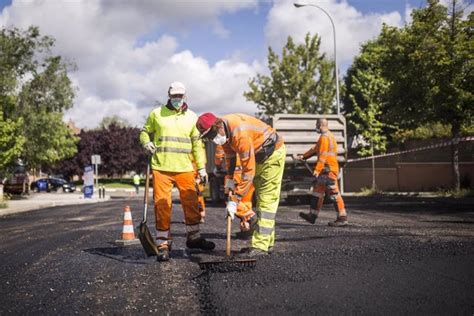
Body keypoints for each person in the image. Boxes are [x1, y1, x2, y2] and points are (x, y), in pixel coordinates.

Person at [140, 81, 215, 262]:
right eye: (174, 96)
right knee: (163, 205)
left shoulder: (192, 117)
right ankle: (163, 244)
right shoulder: (156, 114)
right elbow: (144, 131)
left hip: (185, 169)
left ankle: (194, 238)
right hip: (161, 168)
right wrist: (145, 142)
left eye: (180, 96)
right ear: (169, 95)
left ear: (185, 96)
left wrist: (202, 168)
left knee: (191, 204)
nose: (177, 99)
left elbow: (197, 145)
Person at [196, 113, 286, 257]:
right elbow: (230, 158)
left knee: (266, 200)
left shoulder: (240, 135)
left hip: (272, 155)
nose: (212, 139)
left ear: (218, 126)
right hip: (259, 155)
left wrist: (235, 200)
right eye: (209, 137)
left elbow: (248, 173)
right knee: (262, 200)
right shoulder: (225, 133)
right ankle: (267, 243)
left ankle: (261, 246)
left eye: (212, 134)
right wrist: (230, 179)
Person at [297, 118, 348, 227]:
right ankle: (312, 215)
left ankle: (342, 218)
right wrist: (304, 156)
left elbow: (323, 156)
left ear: (320, 125)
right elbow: (315, 149)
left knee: (334, 193)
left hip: (328, 171)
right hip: (326, 171)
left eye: (316, 125)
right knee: (317, 193)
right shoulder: (326, 137)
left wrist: (317, 170)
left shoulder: (325, 137)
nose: (316, 127)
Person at [215, 145, 256, 232]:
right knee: (246, 201)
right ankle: (247, 225)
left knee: (231, 201)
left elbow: (219, 157)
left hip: (234, 176)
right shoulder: (246, 137)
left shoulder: (225, 140)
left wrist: (218, 167)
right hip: (248, 176)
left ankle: (250, 216)